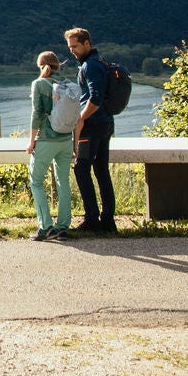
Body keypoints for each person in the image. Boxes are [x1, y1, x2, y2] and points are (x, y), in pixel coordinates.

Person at [65, 26, 117, 234]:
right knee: (102, 170)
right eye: (70, 47)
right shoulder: (101, 61)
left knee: (81, 168)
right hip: (105, 123)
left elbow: (95, 98)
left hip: (92, 126)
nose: (72, 51)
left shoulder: (90, 66)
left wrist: (80, 119)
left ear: (87, 43)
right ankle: (108, 222)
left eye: (75, 46)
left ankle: (92, 219)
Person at [25, 50, 73, 240]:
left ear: (40, 66)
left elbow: (37, 114)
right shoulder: (68, 84)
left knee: (36, 181)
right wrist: (75, 144)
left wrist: (31, 142)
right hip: (66, 140)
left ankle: (46, 227)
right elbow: (75, 117)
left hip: (46, 139)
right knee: (64, 183)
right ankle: (63, 227)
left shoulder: (39, 84)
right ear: (58, 66)